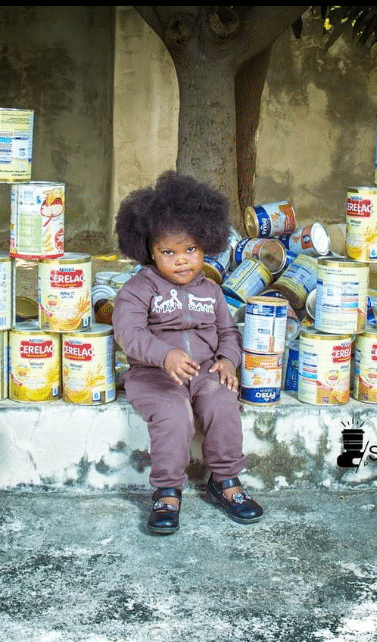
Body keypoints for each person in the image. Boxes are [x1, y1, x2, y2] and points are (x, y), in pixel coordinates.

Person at [112, 171, 264, 535]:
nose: (182, 260)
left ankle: (225, 481)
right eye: (169, 252)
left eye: (190, 250)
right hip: (154, 375)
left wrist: (228, 360)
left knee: (224, 404)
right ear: (149, 250)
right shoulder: (138, 288)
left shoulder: (210, 290)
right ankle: (167, 491)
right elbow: (129, 333)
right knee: (174, 415)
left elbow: (228, 331)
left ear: (205, 245)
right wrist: (164, 355)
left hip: (206, 371)